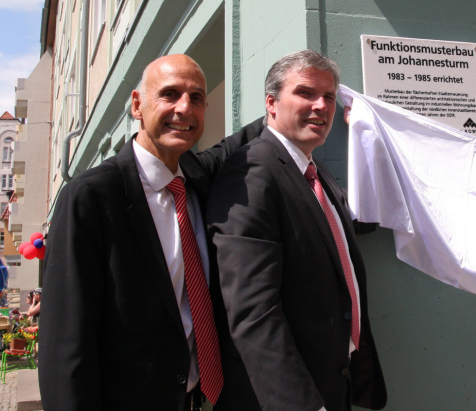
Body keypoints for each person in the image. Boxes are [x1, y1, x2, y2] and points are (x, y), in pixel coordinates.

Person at [39, 54, 263, 411]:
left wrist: (293, 105)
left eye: (197, 98)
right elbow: (65, 340)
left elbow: (233, 146)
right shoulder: (93, 196)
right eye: (170, 94)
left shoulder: (196, 178)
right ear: (137, 105)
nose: (184, 109)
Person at [206, 50, 387, 411]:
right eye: (305, 93)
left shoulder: (314, 173)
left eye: (329, 97)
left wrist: (371, 144)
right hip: (286, 395)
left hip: (333, 381)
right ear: (271, 104)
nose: (321, 106)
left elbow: (353, 223)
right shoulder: (252, 170)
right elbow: (252, 310)